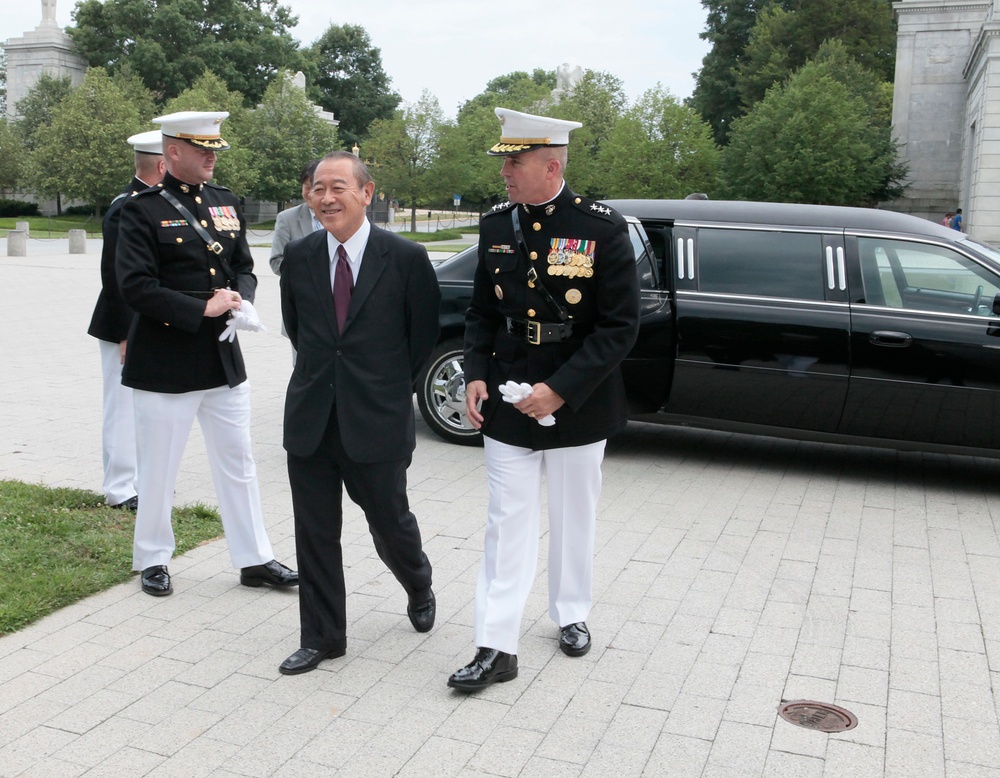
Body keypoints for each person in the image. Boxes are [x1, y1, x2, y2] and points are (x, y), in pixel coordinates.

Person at [448, 108, 640, 692]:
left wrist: (560, 389)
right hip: (509, 390)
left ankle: (571, 611)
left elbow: (619, 327)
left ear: (551, 166)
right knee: (505, 522)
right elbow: (481, 312)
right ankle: (495, 645)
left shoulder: (602, 228)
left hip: (579, 397)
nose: (504, 172)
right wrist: (476, 372)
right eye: (504, 162)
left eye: (515, 162)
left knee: (573, 512)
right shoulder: (495, 225)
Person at [116, 111, 297, 597]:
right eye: (202, 149)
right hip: (165, 361)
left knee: (239, 462)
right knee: (159, 468)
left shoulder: (224, 201)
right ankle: (153, 558)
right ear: (173, 152)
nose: (212, 157)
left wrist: (242, 300)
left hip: (222, 359)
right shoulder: (140, 210)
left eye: (215, 148)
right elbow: (135, 286)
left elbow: (243, 266)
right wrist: (202, 308)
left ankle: (254, 559)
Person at [277, 150, 440, 675]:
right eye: (318, 189)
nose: (326, 198)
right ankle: (323, 636)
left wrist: (382, 390)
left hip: (376, 419)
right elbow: (300, 332)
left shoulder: (406, 258)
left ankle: (418, 582)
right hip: (311, 418)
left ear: (367, 193)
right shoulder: (299, 256)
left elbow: (421, 340)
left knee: (390, 521)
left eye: (338, 187)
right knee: (314, 532)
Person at [87, 130, 165, 510]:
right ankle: (119, 488)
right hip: (125, 325)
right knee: (121, 407)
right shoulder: (127, 206)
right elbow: (117, 278)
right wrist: (126, 333)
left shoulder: (153, 203)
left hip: (147, 322)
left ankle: (139, 481)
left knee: (145, 407)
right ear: (162, 165)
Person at [269, 159, 322, 363]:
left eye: (316, 187)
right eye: (307, 186)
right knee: (305, 368)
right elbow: (276, 261)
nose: (311, 193)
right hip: (303, 310)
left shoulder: (340, 216)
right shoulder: (287, 218)